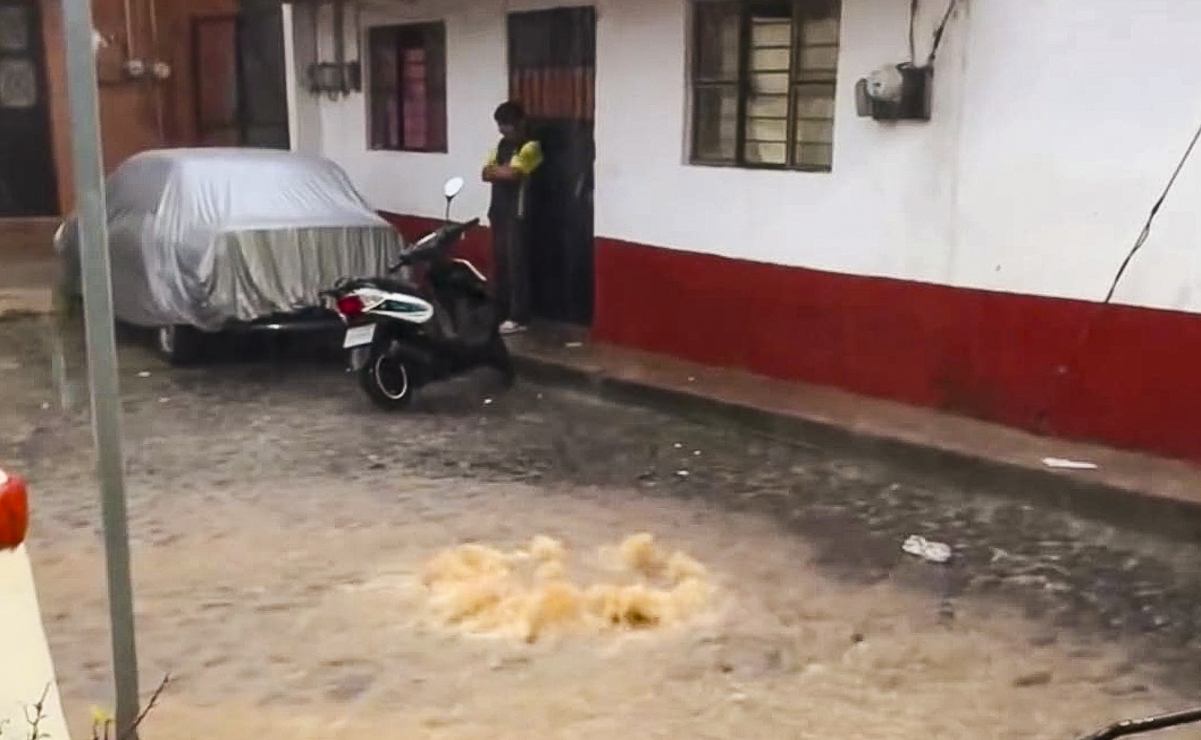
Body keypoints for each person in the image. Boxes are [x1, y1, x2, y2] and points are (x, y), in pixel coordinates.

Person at [482, 101, 543, 335]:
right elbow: (486, 172)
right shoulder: (500, 146)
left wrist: (502, 171)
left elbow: (516, 173)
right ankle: (501, 310)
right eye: (500, 125)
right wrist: (501, 171)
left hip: (519, 213)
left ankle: (519, 316)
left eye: (506, 124)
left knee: (517, 264)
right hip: (498, 210)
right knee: (501, 263)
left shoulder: (531, 147)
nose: (503, 130)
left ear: (519, 123)